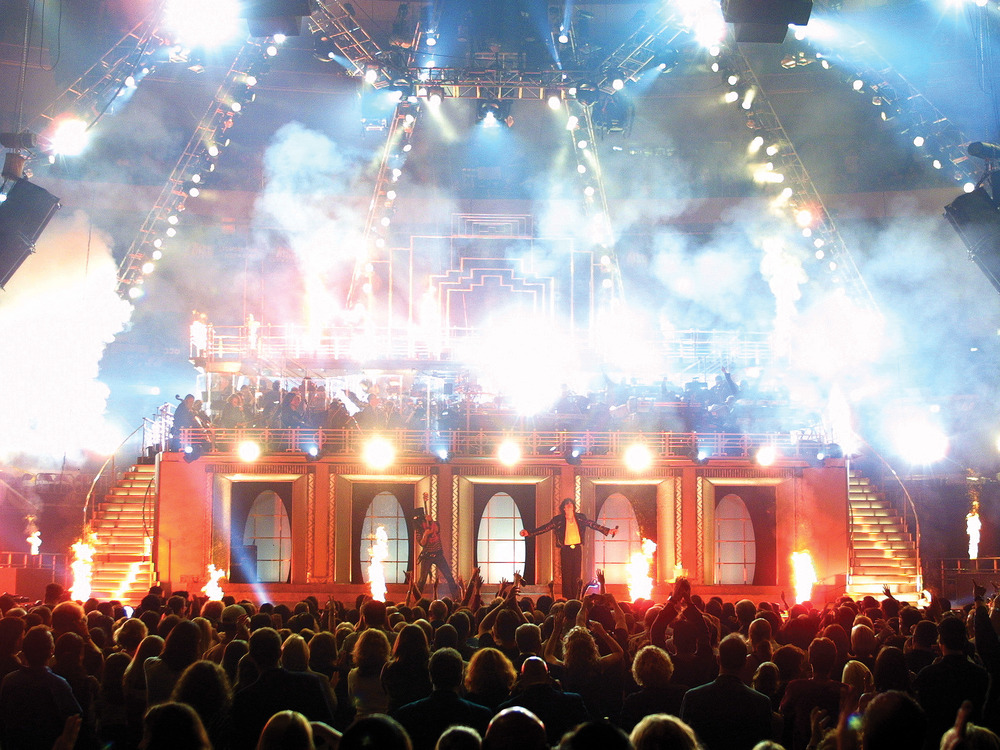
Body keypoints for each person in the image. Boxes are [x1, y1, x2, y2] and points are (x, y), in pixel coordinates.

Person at [520, 498, 616, 599]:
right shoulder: (558, 520)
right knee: (566, 574)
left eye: (571, 503)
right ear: (564, 508)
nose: (569, 505)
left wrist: (608, 531)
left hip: (577, 548)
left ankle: (576, 597)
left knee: (576, 574)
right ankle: (568, 598)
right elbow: (545, 528)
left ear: (574, 507)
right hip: (566, 549)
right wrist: (529, 533)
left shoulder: (580, 518)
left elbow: (592, 524)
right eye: (567, 504)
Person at [412, 495, 459, 598]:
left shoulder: (434, 523)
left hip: (438, 554)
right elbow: (422, 543)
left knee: (449, 576)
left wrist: (431, 521)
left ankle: (456, 597)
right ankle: (417, 599)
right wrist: (425, 534)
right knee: (422, 580)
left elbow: (436, 530)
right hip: (427, 556)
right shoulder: (419, 530)